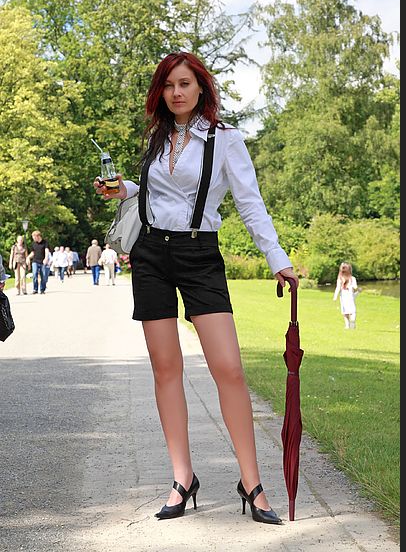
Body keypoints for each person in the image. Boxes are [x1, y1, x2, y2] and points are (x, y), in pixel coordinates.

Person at [94, 51, 298, 524]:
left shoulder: (225, 139)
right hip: (150, 256)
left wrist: (278, 260)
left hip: (199, 254)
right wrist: (124, 187)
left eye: (185, 83)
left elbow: (251, 203)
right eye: (168, 85)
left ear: (201, 88)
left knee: (228, 367)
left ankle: (252, 483)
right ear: (161, 92)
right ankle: (182, 477)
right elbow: (161, 192)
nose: (177, 92)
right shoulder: (159, 135)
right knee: (166, 369)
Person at [333, 262, 360, 329]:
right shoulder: (340, 279)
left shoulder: (352, 279)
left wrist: (356, 288)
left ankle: (352, 322)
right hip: (344, 297)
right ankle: (347, 324)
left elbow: (355, 286)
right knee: (345, 312)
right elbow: (338, 287)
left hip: (350, 296)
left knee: (352, 311)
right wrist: (335, 296)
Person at [27, 230, 50, 295]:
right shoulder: (33, 243)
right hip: (35, 261)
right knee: (34, 274)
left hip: (42, 261)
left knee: (43, 275)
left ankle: (42, 289)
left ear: (38, 236)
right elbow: (32, 252)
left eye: (34, 237)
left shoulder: (45, 242)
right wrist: (28, 257)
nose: (33, 239)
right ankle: (35, 289)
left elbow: (47, 251)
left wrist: (46, 258)